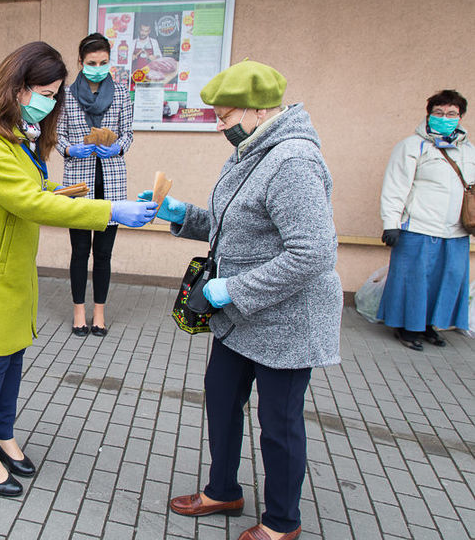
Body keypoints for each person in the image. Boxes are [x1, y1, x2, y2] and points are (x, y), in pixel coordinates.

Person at [0, 41, 157, 498]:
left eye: (56, 92)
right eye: (44, 90)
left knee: (14, 353)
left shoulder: (16, 133)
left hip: (12, 264)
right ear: (16, 86)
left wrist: (68, 189)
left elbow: (34, 187)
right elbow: (26, 200)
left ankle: (3, 435)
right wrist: (109, 211)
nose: (50, 100)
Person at [144, 60, 342, 540]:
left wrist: (234, 288)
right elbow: (232, 223)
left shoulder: (292, 160)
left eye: (225, 115)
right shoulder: (252, 152)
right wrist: (181, 215)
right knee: (221, 400)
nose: (219, 125)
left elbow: (312, 252)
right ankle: (223, 490)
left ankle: (281, 523)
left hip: (287, 323)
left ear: (258, 110)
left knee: (279, 425)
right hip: (238, 322)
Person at [378, 89, 472, 350]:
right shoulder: (412, 146)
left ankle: (430, 326)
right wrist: (391, 224)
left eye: (452, 113)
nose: (445, 117)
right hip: (419, 228)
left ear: (461, 117)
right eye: (439, 112)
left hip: (455, 233)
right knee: (414, 281)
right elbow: (395, 187)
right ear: (429, 115)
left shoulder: (468, 151)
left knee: (446, 280)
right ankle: (407, 329)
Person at [56, 33, 134, 337]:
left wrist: (118, 147)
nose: (98, 68)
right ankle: (78, 311)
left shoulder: (121, 93)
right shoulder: (65, 95)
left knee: (103, 252)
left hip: (111, 181)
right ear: (80, 62)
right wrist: (70, 149)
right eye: (92, 63)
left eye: (103, 62)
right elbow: (57, 135)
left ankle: (99, 312)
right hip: (79, 180)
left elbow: (128, 133)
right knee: (79, 250)